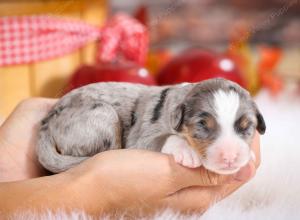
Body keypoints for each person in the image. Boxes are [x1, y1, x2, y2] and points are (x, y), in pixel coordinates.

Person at [0, 98, 260, 218]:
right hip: (84, 121)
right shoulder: (170, 117)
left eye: (243, 128)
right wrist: (91, 190)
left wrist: (9, 164)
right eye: (206, 127)